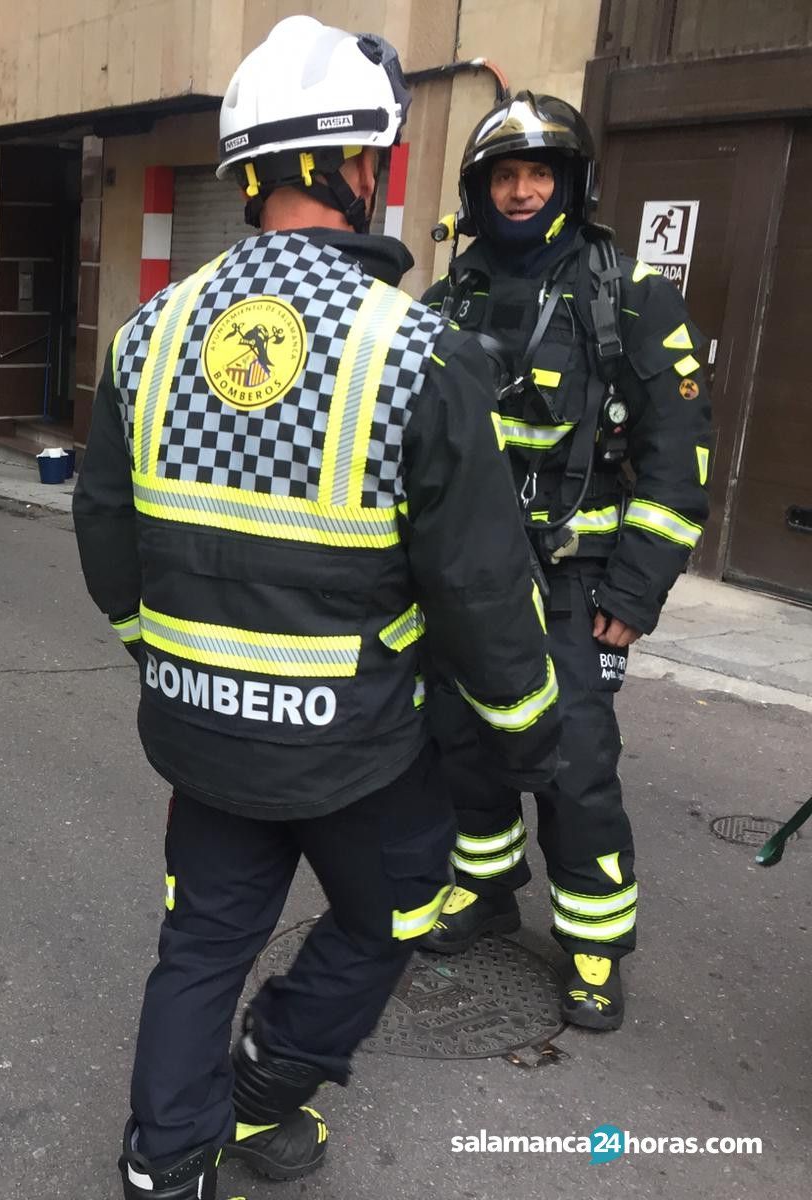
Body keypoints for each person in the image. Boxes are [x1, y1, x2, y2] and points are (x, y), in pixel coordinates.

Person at [72, 17, 562, 1199]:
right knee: (394, 911)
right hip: (360, 745)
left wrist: (164, 656)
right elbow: (481, 585)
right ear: (360, 168)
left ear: (246, 177)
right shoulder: (419, 351)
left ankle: (164, 1162)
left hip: (199, 728)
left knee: (198, 946)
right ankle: (270, 1079)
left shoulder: (149, 335)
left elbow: (104, 532)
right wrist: (528, 728)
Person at [416, 93, 714, 1033]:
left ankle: (591, 943)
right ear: (478, 190)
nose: (521, 191)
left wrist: (635, 588)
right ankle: (486, 884)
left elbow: (679, 451)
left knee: (575, 762)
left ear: (573, 184)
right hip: (463, 579)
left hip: (575, 583)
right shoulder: (445, 299)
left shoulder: (630, 296)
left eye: (539, 173)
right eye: (504, 175)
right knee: (460, 744)